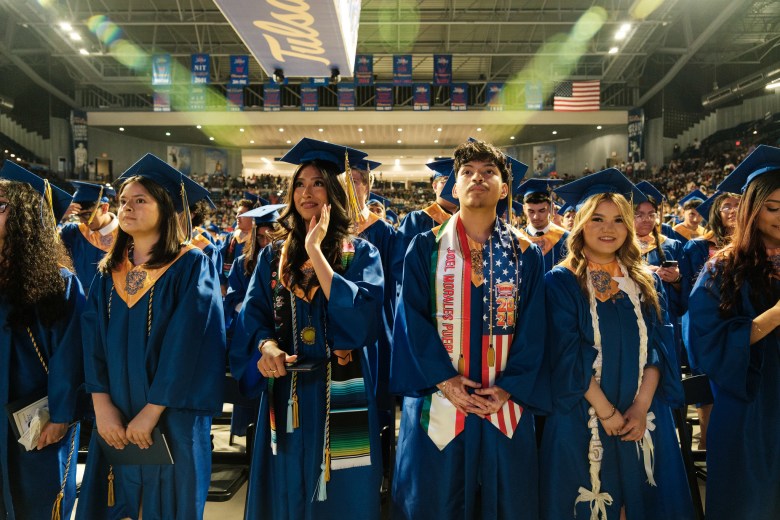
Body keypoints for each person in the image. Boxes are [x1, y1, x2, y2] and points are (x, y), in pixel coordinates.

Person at [391, 139, 548, 519]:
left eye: (489, 172)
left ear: (505, 188)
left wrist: (509, 387)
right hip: (440, 404)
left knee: (508, 503)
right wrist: (446, 381)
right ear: (454, 187)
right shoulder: (425, 248)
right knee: (434, 501)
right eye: (467, 173)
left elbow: (535, 328)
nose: (478, 178)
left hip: (505, 405)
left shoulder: (526, 253)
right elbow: (411, 322)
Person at [229, 138, 385, 519]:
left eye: (317, 183)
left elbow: (363, 321)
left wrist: (317, 252)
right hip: (287, 391)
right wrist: (266, 349)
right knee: (287, 485)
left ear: (334, 191)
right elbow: (253, 318)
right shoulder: (272, 255)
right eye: (299, 184)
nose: (306, 192)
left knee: (340, 488)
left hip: (339, 384)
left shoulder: (360, 253)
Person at [77, 153, 226, 520]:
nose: (127, 207)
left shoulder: (191, 265)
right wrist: (101, 406)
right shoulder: (108, 270)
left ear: (168, 208)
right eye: (124, 200)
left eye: (140, 200)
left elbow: (187, 343)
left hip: (170, 416)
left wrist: (151, 411)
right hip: (115, 413)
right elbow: (92, 339)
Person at [543, 168, 693, 520]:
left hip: (642, 415)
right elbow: (565, 353)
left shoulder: (644, 281)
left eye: (617, 220)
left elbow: (660, 347)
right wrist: (607, 413)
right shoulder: (562, 282)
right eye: (596, 218)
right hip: (584, 413)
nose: (608, 229)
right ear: (580, 223)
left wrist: (640, 407)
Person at [686, 145, 780, 519]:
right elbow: (705, 343)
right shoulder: (722, 269)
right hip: (750, 408)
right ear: (752, 210)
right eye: (773, 208)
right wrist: (773, 316)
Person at [0, 160, 85, 520]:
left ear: (23, 218)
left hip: (35, 421)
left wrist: (62, 415)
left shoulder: (58, 283)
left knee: (36, 504)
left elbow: (72, 354)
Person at [634, 181, 684, 361]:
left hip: (665, 317)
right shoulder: (619, 246)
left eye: (651, 214)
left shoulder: (671, 245)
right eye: (639, 215)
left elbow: (685, 291)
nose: (646, 219)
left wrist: (676, 279)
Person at [391, 160, 458, 292]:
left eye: (456, 181)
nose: (451, 186)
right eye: (445, 180)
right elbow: (400, 266)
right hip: (425, 298)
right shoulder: (415, 220)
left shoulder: (469, 222)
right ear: (434, 186)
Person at [60, 181, 119, 292]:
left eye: (87, 214)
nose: (82, 221)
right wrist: (60, 214)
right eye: (78, 215)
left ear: (105, 208)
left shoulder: (126, 236)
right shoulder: (73, 233)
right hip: (78, 302)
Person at [516, 178, 568, 272]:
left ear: (551, 208)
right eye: (531, 211)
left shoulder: (567, 239)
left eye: (542, 210)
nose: (536, 217)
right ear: (524, 209)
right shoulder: (516, 239)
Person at [220, 198, 255, 289]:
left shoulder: (256, 238)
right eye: (237, 213)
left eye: (242, 214)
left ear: (252, 216)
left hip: (248, 287)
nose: (237, 217)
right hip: (228, 286)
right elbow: (221, 258)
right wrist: (221, 283)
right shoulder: (231, 237)